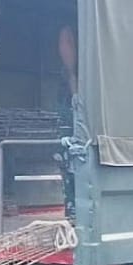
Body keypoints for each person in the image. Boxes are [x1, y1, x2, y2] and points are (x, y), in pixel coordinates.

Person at [55, 21, 80, 219]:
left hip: (72, 115)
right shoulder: (68, 29)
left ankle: (74, 212)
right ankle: (72, 212)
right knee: (69, 162)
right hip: (67, 116)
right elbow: (70, 71)